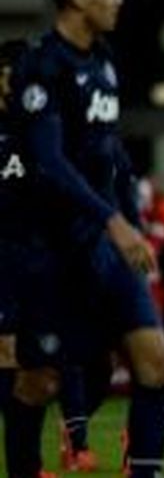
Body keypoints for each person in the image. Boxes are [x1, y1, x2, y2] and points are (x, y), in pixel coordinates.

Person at [11, 0, 164, 476]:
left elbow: (113, 155)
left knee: (158, 367)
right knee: (39, 382)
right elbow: (47, 161)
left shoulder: (104, 60)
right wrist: (112, 220)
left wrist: (128, 219)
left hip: (105, 248)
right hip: (51, 253)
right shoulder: (41, 64)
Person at [0, 38, 61, 478]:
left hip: (41, 264)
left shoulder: (44, 127)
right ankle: (26, 465)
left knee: (42, 371)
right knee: (7, 355)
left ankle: (28, 459)